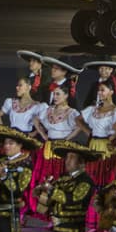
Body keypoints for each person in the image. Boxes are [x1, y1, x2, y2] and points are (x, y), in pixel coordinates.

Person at [29, 82, 86, 220]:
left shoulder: (72, 112)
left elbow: (79, 125)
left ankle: (58, 211)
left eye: (58, 94)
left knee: (60, 179)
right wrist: (43, 135)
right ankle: (45, 211)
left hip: (62, 149)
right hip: (48, 148)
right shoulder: (48, 110)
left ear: (66, 96)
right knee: (46, 177)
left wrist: (68, 138)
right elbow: (36, 120)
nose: (55, 97)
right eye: (54, 94)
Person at [80, 78, 116, 232]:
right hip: (94, 147)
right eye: (99, 90)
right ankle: (93, 222)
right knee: (93, 184)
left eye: (103, 90)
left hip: (109, 150)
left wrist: (114, 136)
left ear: (111, 92)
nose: (100, 93)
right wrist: (88, 132)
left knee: (107, 185)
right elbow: (78, 119)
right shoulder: (93, 110)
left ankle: (107, 222)